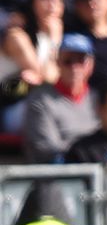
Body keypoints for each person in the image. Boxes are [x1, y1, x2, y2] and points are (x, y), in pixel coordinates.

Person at [22, 32, 97, 162]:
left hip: (95, 169)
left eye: (81, 60)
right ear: (58, 63)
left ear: (91, 65)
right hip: (57, 174)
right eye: (68, 61)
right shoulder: (40, 99)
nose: (74, 67)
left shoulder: (98, 98)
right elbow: (47, 148)